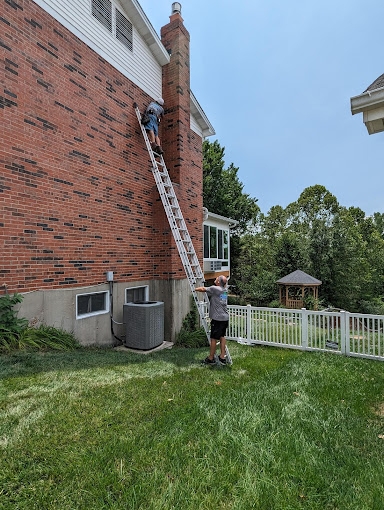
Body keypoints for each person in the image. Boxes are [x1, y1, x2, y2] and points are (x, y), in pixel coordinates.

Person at [195, 275, 229, 365]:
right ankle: (222, 356)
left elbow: (203, 289)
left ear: (218, 282)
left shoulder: (215, 289)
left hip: (217, 319)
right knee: (222, 336)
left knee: (213, 338)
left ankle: (211, 358)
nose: (215, 279)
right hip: (225, 318)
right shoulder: (224, 291)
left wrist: (194, 289)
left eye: (217, 278)